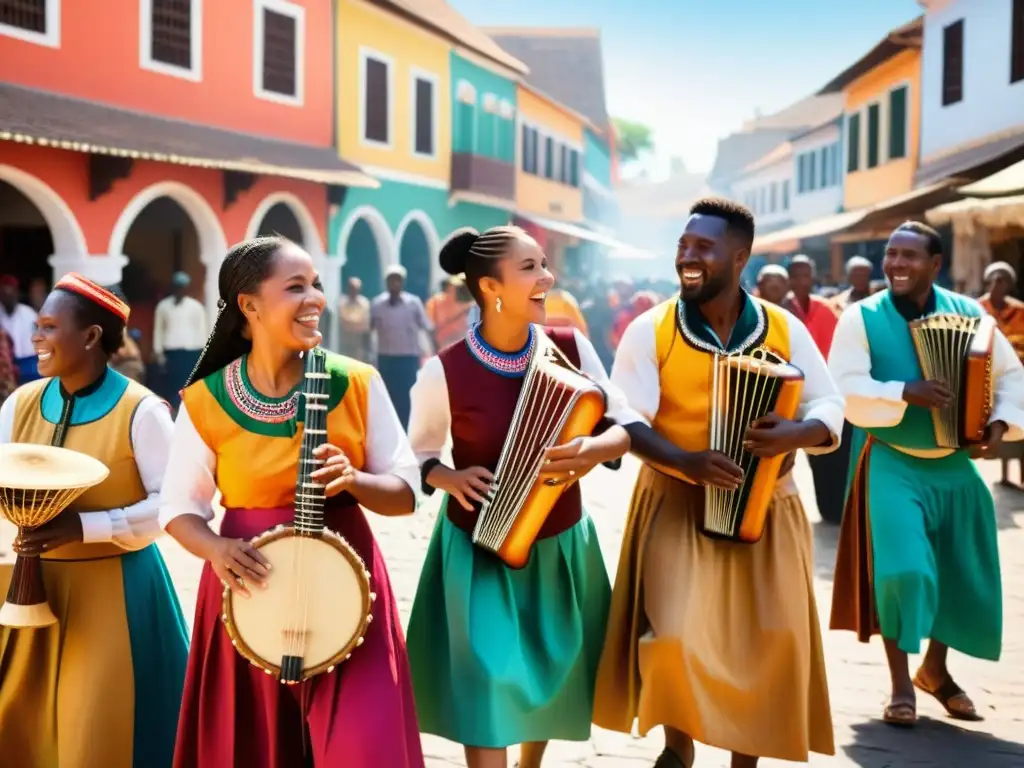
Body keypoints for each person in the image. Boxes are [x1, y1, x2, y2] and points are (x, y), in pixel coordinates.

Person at [593, 197, 843, 767]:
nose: (688, 256)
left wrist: (797, 432)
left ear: (740, 257)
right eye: (683, 246)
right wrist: (687, 463)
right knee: (676, 635)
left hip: (767, 506)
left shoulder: (784, 327)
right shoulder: (651, 328)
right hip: (676, 500)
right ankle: (676, 752)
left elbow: (829, 402)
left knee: (765, 646)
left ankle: (743, 760)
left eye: (703, 248)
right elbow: (626, 415)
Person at [159, 236, 424, 768]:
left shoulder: (356, 382)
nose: (316, 299)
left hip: (350, 595)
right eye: (296, 287)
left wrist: (354, 480)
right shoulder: (207, 400)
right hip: (247, 597)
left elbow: (406, 492)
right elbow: (178, 509)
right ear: (249, 306)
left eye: (317, 285)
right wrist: (215, 549)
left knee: (365, 748)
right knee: (252, 748)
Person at [405, 226, 634, 768]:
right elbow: (413, 455)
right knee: (488, 677)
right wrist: (447, 477)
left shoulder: (572, 348)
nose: (547, 277)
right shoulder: (446, 369)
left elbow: (624, 422)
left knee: (552, 673)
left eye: (544, 264)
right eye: (530, 267)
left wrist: (593, 448)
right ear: (491, 286)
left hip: (558, 546)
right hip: (477, 550)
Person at [828, 221, 1024, 727]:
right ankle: (899, 685)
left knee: (960, 572)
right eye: (891, 254)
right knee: (904, 571)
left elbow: (1011, 375)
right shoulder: (860, 317)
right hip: (891, 456)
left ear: (936, 265)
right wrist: (902, 391)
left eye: (909, 256)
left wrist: (1000, 425)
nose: (895, 264)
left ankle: (934, 671)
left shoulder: (970, 315)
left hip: (954, 463)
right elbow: (844, 385)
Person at [0, 273, 188, 768]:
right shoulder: (20, 404)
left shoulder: (142, 411)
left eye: (47, 326)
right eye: (36, 327)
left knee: (97, 733)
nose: (35, 337)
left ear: (90, 336)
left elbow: (172, 505)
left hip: (116, 592)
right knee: (24, 728)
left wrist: (88, 528)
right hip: (28, 587)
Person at [781, 255, 849, 525]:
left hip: (824, 391)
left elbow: (839, 350)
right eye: (795, 276)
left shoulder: (825, 310)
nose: (801, 281)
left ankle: (833, 510)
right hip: (788, 397)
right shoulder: (780, 313)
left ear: (813, 278)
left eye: (805, 275)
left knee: (828, 456)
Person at [370, 264, 434, 428]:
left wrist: (434, 349)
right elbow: (368, 330)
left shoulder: (413, 303)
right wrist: (366, 353)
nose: (394, 284)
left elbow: (426, 327)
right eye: (391, 280)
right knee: (387, 394)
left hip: (408, 357)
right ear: (386, 282)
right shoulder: (377, 304)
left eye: (397, 280)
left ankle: (407, 428)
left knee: (408, 394)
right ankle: (390, 427)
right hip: (386, 357)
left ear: (403, 282)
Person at [979, 261, 1024, 487]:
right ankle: (1005, 475)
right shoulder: (977, 308)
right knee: (998, 423)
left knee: (1017, 422)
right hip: (986, 377)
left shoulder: (1020, 311)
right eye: (995, 279)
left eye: (1004, 280)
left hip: (1017, 376)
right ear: (988, 282)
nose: (999, 284)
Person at [153, 271, 207, 409]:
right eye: (177, 286)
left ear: (187, 288)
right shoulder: (163, 306)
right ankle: (174, 411)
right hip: (172, 352)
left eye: (182, 286)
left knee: (189, 385)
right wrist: (158, 352)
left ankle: (188, 412)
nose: (180, 289)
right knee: (173, 385)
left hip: (191, 351)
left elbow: (202, 330)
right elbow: (158, 330)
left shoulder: (196, 306)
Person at [0, 274, 40, 384]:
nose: (8, 297)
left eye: (10, 293)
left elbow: (41, 337)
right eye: (4, 294)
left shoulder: (29, 313)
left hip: (29, 362)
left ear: (16, 293)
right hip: (6, 365)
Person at [337, 276, 371, 361]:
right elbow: (343, 321)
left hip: (359, 343)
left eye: (356, 288)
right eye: (352, 288)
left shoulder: (364, 303)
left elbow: (364, 323)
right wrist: (355, 321)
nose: (354, 290)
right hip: (345, 342)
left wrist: (351, 322)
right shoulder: (342, 302)